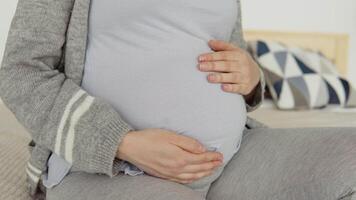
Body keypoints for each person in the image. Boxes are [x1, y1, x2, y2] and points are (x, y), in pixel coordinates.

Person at [0, 0, 355, 200]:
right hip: (113, 171)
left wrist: (252, 78)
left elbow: (225, 52)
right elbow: (20, 72)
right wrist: (120, 142)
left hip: (233, 158)